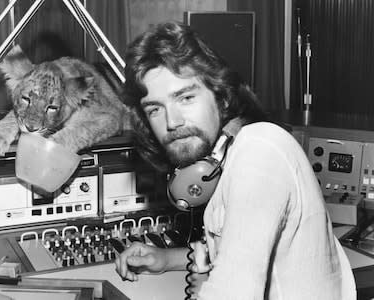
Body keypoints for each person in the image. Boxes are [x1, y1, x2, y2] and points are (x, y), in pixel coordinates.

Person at [115, 21, 356, 299]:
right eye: (155, 109)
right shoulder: (229, 154)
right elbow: (238, 249)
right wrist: (167, 259)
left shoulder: (259, 151)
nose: (172, 122)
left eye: (186, 98)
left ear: (220, 97)